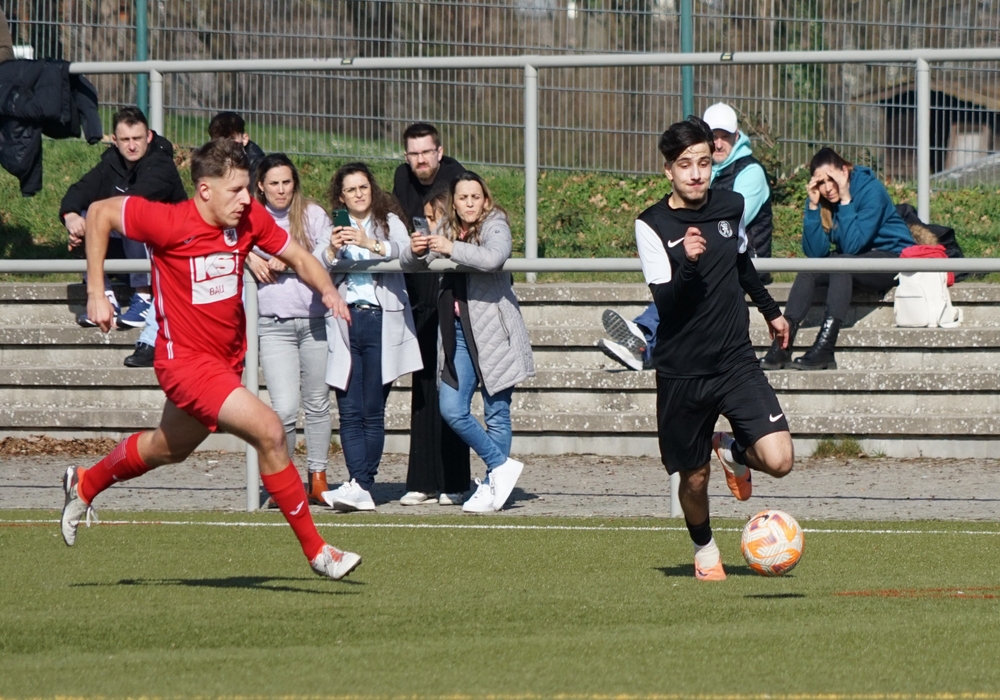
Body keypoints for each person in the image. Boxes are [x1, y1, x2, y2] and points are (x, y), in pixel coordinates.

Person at [60, 139, 361, 581]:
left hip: (225, 361)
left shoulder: (247, 218)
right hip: (185, 364)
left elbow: (296, 255)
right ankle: (318, 552)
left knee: (167, 448)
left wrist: (329, 291)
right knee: (271, 432)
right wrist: (95, 292)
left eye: (247, 189)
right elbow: (102, 212)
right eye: (237, 190)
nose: (247, 199)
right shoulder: (166, 221)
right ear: (204, 190)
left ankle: (84, 483)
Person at [636, 116, 793, 580]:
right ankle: (704, 549)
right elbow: (665, 301)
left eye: (704, 162)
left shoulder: (731, 205)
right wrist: (686, 261)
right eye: (685, 165)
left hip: (734, 361)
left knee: (780, 461)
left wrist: (771, 310)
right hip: (683, 371)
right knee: (694, 477)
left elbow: (742, 263)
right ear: (669, 170)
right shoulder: (651, 225)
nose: (696, 174)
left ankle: (734, 452)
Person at [598, 102, 774, 371]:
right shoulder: (703, 173)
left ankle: (643, 338)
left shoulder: (751, 173)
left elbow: (722, 229)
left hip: (742, 260)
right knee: (679, 281)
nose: (717, 143)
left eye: (724, 136)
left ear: (736, 136)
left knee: (695, 280)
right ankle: (643, 341)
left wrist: (770, 310)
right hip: (703, 262)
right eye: (712, 136)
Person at [400, 171, 534, 514]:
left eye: (476, 197)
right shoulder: (445, 228)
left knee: (497, 413)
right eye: (463, 198)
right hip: (458, 332)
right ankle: (501, 467)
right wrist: (416, 251)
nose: (470, 203)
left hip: (494, 331)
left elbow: (493, 258)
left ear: (485, 200)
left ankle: (494, 484)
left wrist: (450, 248)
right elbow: (411, 263)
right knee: (452, 408)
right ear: (454, 203)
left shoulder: (496, 223)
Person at [319, 163, 422, 512]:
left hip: (382, 320)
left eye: (364, 187)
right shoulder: (333, 226)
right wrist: (333, 250)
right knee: (348, 409)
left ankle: (363, 484)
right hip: (345, 320)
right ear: (341, 196)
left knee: (373, 409)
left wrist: (370, 243)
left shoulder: (389, 221)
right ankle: (357, 482)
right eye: (351, 190)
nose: (359, 194)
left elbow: (407, 253)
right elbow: (318, 262)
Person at [760, 147, 915, 370]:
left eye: (832, 179)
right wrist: (813, 207)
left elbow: (853, 245)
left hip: (892, 258)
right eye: (821, 183)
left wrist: (845, 199)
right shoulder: (821, 198)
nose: (827, 188)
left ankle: (825, 349)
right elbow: (816, 254)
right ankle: (782, 344)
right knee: (810, 270)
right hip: (857, 258)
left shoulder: (870, 189)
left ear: (844, 170)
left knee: (842, 265)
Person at [62, 107, 187, 368]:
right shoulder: (111, 162)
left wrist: (98, 223)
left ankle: (143, 296)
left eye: (137, 139)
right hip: (132, 248)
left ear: (149, 137)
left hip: (168, 251)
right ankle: (105, 296)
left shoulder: (161, 164)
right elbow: (80, 189)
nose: (132, 146)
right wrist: (72, 217)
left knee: (129, 213)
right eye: (125, 140)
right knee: (88, 214)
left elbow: (134, 202)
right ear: (115, 140)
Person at [247, 153, 335, 505]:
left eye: (286, 182)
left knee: (317, 404)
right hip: (274, 325)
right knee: (283, 408)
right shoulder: (249, 217)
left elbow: (329, 252)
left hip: (314, 321)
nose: (281, 190)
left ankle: (318, 478)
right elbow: (226, 245)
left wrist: (287, 257)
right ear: (261, 187)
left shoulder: (312, 215)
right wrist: (250, 256)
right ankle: (282, 482)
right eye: (274, 184)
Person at [392, 123, 471, 506]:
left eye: (426, 152)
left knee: (450, 382)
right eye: (413, 153)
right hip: (416, 287)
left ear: (439, 152)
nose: (420, 160)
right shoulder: (401, 178)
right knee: (422, 385)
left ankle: (456, 481)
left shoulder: (456, 176)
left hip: (450, 288)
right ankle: (422, 480)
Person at [208, 111, 265, 184]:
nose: (225, 145)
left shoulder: (256, 166)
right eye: (219, 140)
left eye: (231, 139)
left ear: (244, 139)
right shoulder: (207, 161)